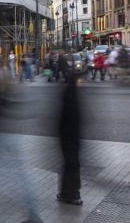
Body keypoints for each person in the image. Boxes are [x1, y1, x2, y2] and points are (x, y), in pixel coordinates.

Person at [56, 71, 82, 205]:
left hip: (67, 138)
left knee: (69, 165)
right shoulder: (72, 96)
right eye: (79, 80)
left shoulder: (70, 93)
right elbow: (72, 120)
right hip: (70, 139)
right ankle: (72, 194)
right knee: (72, 165)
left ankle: (66, 193)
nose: (81, 83)